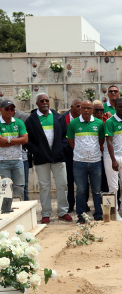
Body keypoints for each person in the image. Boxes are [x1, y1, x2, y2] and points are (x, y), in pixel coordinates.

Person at [25, 93, 71, 224]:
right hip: (41, 158)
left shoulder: (58, 117)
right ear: (37, 104)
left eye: (46, 100)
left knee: (62, 184)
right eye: (41, 101)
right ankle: (46, 213)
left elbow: (64, 135)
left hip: (58, 157)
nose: (44, 102)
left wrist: (61, 147)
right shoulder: (31, 119)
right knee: (45, 186)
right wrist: (37, 151)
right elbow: (27, 139)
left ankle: (63, 211)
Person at [67, 100, 105, 223]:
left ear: (92, 110)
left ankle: (98, 214)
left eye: (89, 108)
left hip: (96, 162)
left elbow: (101, 141)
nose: (86, 110)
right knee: (81, 190)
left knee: (97, 190)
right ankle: (82, 216)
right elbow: (71, 142)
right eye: (84, 108)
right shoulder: (73, 124)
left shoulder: (99, 123)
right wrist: (80, 152)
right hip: (79, 162)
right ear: (80, 109)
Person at [104, 98, 122, 221]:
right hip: (111, 157)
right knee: (114, 187)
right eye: (120, 106)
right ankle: (113, 212)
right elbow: (109, 142)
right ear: (115, 107)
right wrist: (113, 160)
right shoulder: (110, 122)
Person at [0, 100, 28, 199]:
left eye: (12, 109)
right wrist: (16, 140)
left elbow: (25, 139)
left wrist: (6, 140)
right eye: (7, 109)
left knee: (20, 188)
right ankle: (5, 212)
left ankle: (18, 210)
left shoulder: (19, 122)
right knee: (4, 189)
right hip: (2, 161)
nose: (10, 111)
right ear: (0, 110)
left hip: (18, 161)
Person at [61, 99, 83, 212]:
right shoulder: (63, 118)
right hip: (68, 154)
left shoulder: (85, 117)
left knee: (83, 180)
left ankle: (83, 204)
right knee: (69, 180)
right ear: (71, 107)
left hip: (82, 154)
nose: (80, 108)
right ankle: (70, 204)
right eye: (78, 106)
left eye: (81, 106)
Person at [14, 108, 30, 201]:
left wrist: (8, 141)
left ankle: (25, 208)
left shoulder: (22, 117)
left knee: (24, 185)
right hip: (5, 159)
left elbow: (25, 139)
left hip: (22, 157)